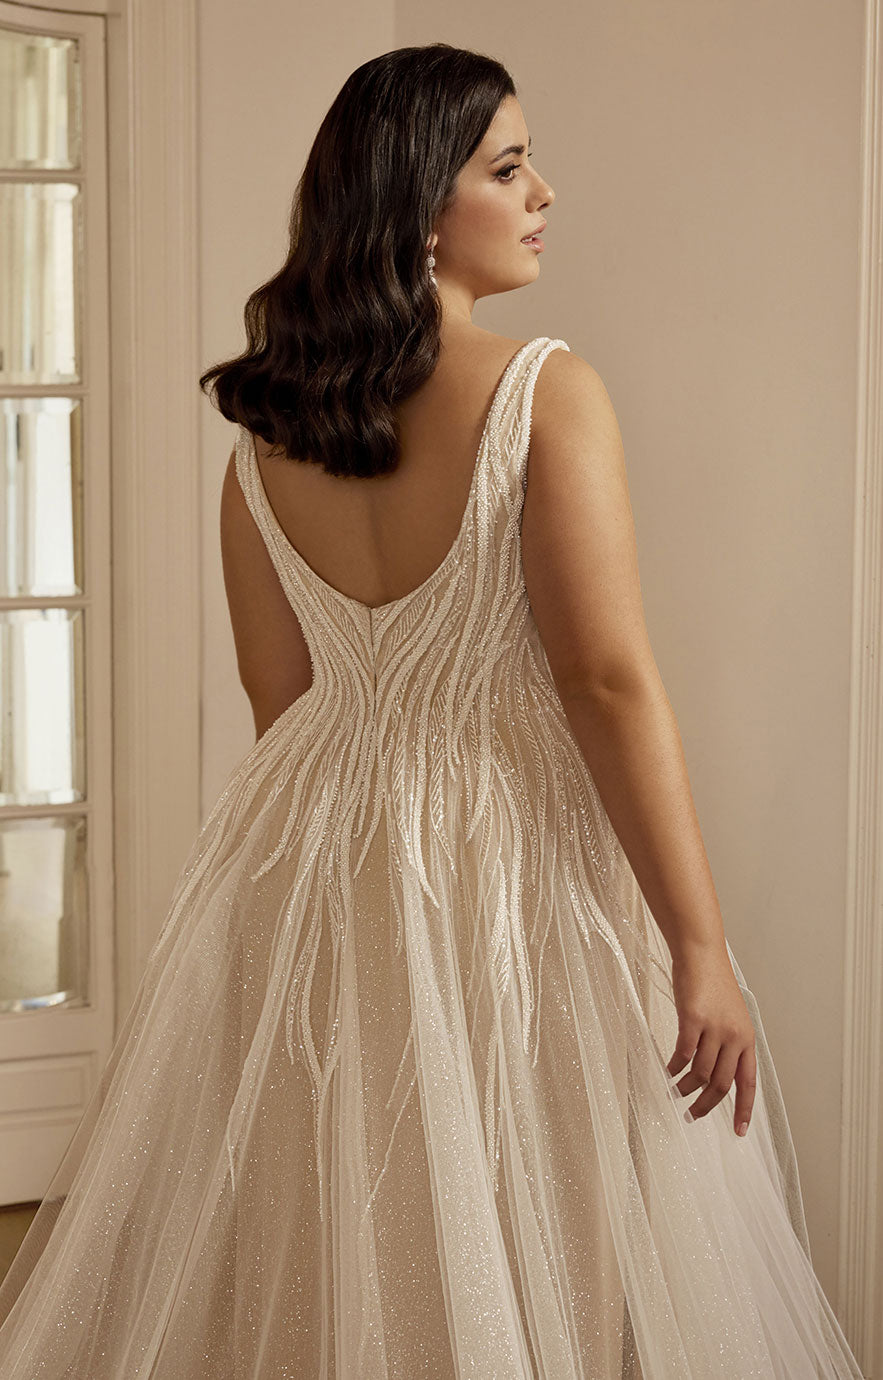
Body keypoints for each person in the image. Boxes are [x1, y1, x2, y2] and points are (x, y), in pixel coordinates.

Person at [0, 41, 864, 1379]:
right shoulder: (542, 392)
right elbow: (605, 679)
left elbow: (276, 700)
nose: (545, 194)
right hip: (507, 853)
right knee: (543, 1207)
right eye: (509, 166)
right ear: (417, 206)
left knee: (343, 1214)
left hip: (312, 863)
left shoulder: (263, 443)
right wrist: (700, 946)